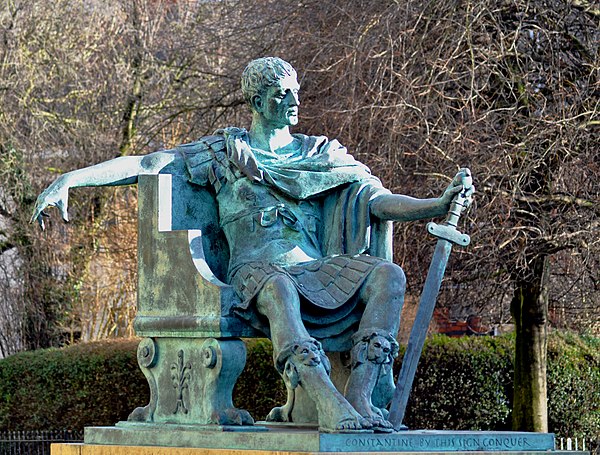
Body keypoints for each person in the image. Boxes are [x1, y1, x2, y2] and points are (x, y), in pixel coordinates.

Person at [32, 57, 473, 433]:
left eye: (296, 92)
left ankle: (358, 395)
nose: (295, 102)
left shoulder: (319, 153)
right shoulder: (223, 154)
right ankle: (325, 401)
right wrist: (71, 178)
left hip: (313, 270)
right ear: (257, 102)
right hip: (254, 272)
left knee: (388, 276)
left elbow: (375, 200)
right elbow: (147, 165)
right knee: (278, 289)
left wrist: (436, 204)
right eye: (283, 94)